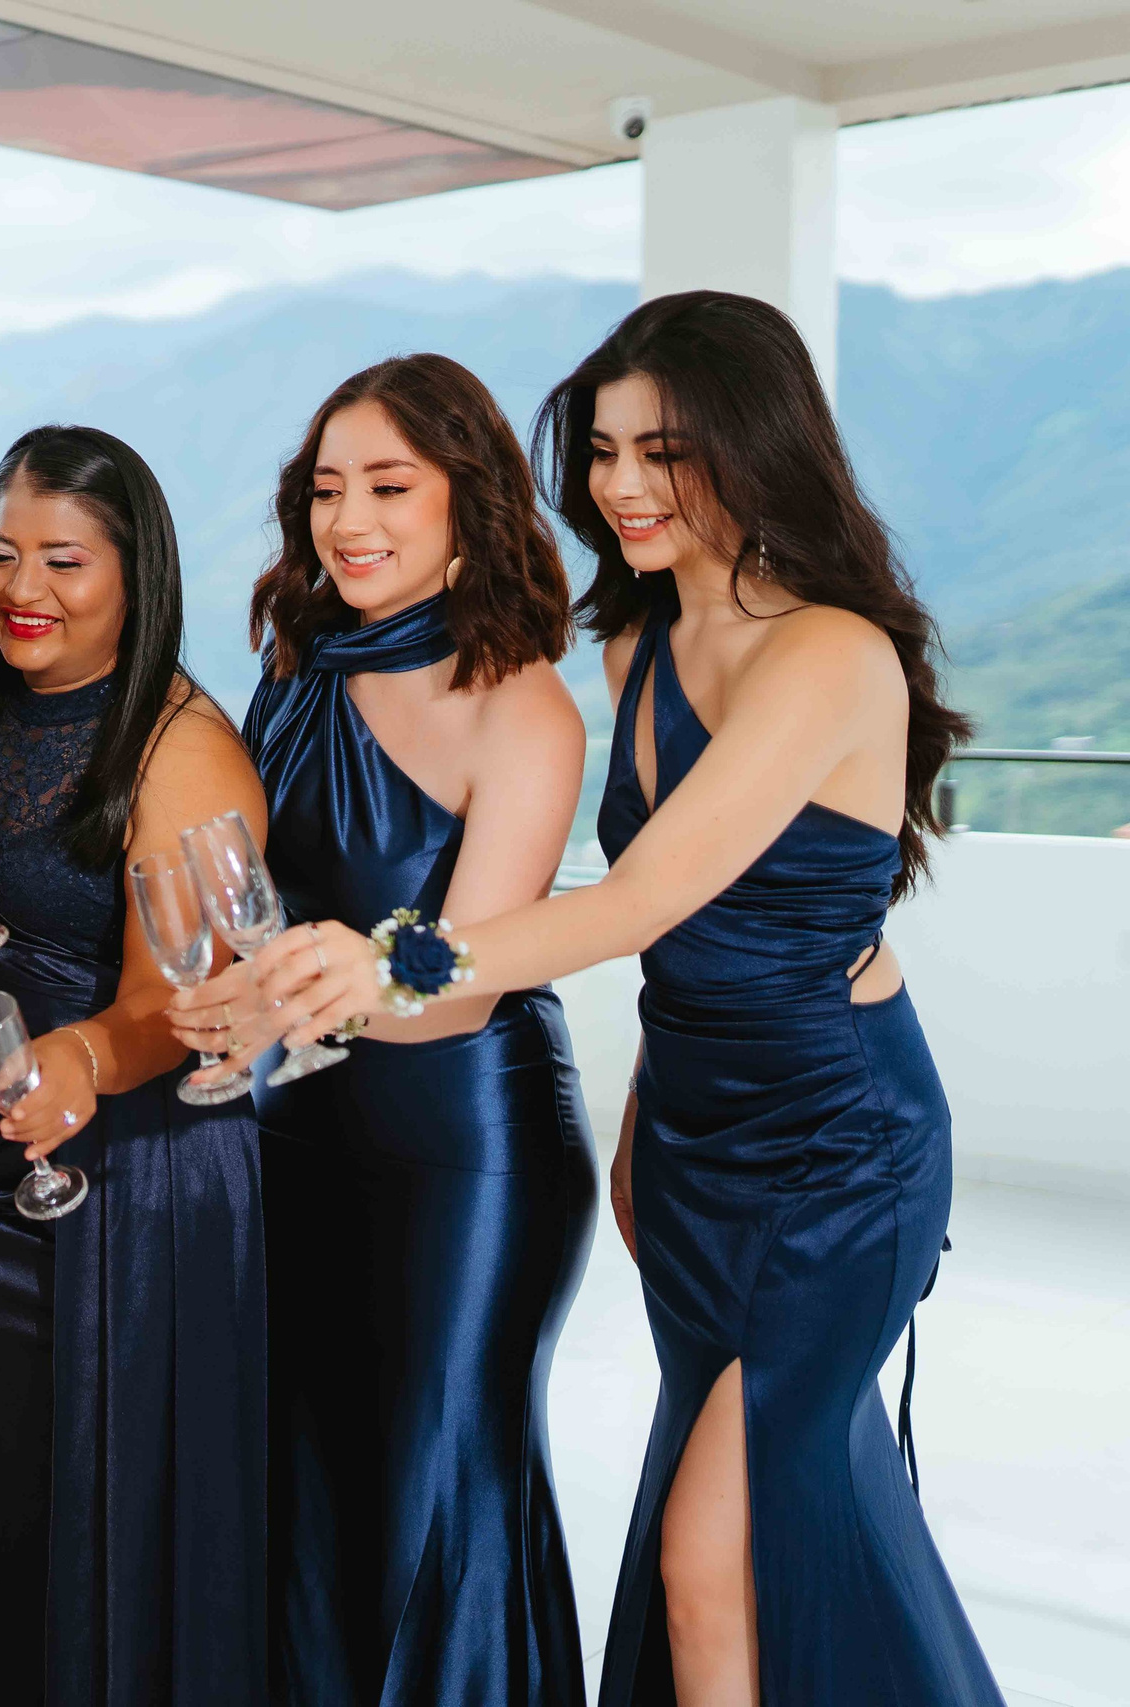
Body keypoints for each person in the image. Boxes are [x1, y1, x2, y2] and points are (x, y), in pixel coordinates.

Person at [246, 293, 1004, 1706]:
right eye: (601, 451)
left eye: (662, 450)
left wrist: (386, 958)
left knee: (709, 1554)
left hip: (844, 1148)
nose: (619, 484)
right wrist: (650, 1127)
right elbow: (681, 954)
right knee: (781, 1521)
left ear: (754, 444)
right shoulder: (633, 645)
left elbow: (637, 900)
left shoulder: (829, 651)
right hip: (698, 1141)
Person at [165, 356, 595, 1703]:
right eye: (327, 490)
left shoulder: (523, 701)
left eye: (389, 486)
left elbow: (461, 981)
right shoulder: (293, 670)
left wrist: (308, 989)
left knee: (438, 1480)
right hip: (296, 1129)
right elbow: (250, 913)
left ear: (473, 499)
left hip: (466, 1150)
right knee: (307, 1485)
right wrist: (224, 1003)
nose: (348, 520)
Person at [0, 425, 270, 1707]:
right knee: (1, 1519)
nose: (25, 590)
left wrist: (75, 1057)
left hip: (135, 1184)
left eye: (63, 560)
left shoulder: (180, 748)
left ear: (136, 575)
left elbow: (182, 1004)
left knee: (110, 1523)